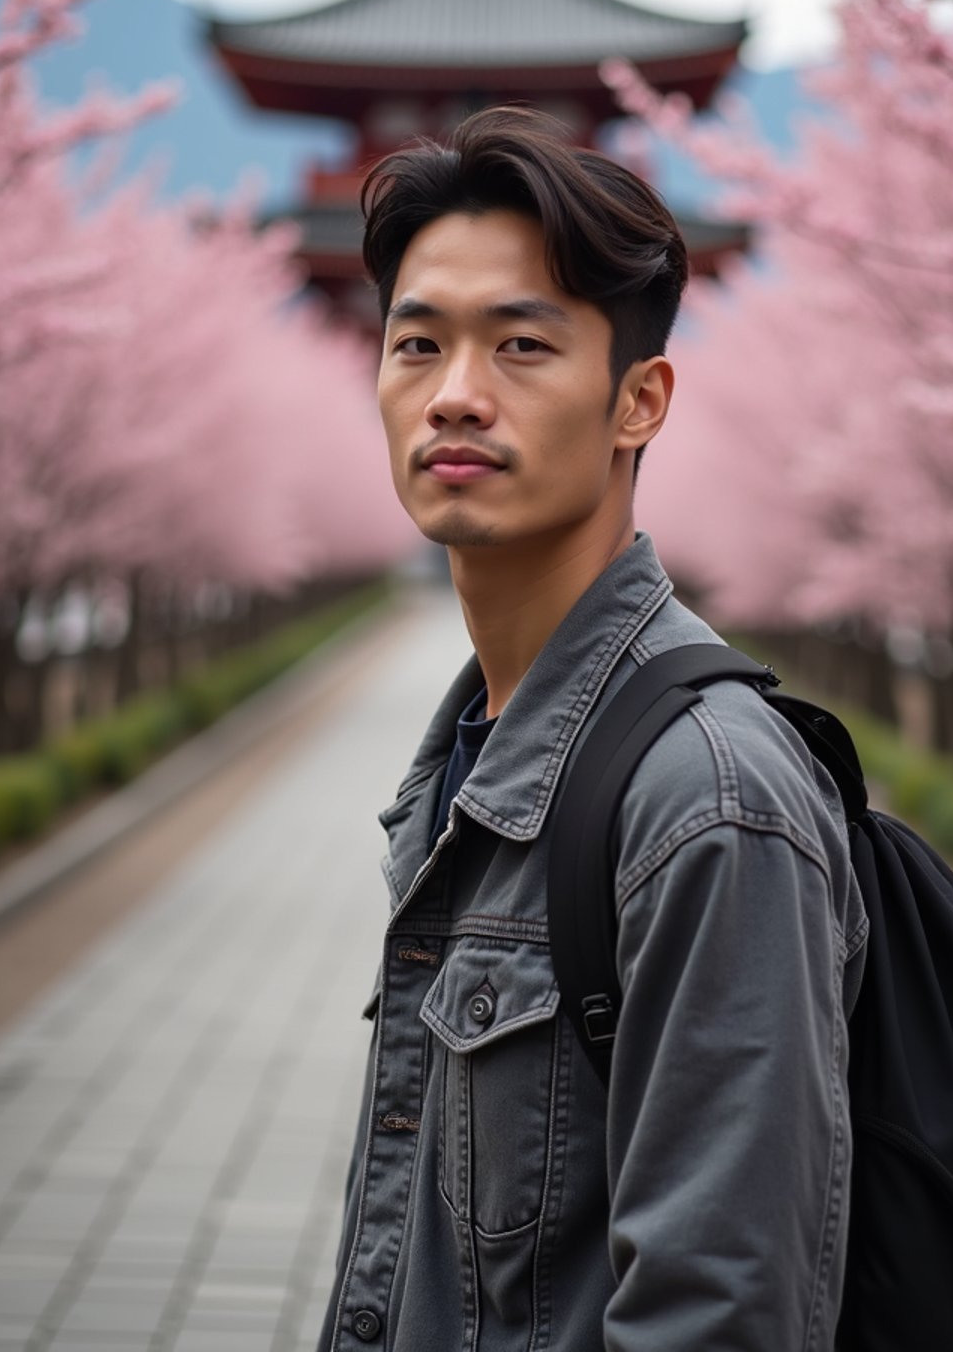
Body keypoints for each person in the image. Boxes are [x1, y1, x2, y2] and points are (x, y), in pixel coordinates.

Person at [317, 106, 867, 1352]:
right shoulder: (473, 749)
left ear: (638, 401)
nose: (454, 396)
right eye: (417, 344)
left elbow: (719, 1314)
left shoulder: (707, 801)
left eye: (520, 344)